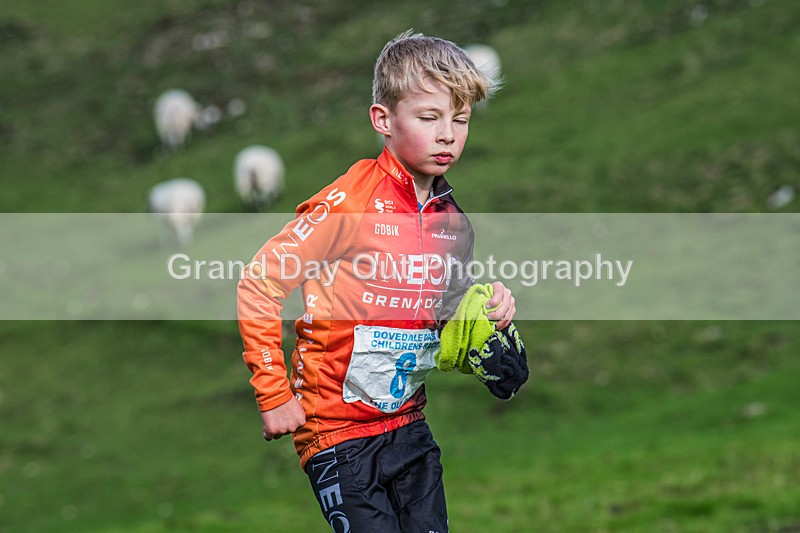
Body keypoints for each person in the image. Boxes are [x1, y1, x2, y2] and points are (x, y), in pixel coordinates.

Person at [237, 29, 517, 531]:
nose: (448, 134)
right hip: (337, 434)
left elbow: (445, 318)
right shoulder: (350, 202)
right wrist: (273, 392)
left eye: (460, 119)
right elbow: (259, 282)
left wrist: (488, 314)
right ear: (383, 120)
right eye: (429, 118)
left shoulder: (454, 225)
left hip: (410, 427)